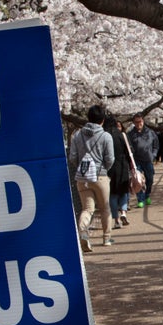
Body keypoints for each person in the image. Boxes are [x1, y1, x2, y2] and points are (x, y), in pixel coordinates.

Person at [69, 103, 114, 251]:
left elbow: (73, 157)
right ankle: (107, 238)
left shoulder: (77, 135)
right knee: (105, 208)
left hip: (82, 178)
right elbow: (110, 159)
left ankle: (83, 231)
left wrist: (81, 169)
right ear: (102, 120)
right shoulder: (106, 136)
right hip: (100, 177)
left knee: (87, 209)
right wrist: (103, 169)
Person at [104, 113, 132, 228]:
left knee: (113, 194)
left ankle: (116, 220)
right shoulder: (121, 135)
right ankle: (124, 212)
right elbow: (129, 151)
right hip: (123, 166)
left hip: (110, 169)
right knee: (124, 192)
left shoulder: (105, 136)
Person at [127, 112, 159, 207]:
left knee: (150, 179)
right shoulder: (131, 134)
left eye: (140, 121)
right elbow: (129, 147)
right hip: (136, 161)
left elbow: (156, 145)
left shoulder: (150, 132)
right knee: (138, 180)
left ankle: (147, 195)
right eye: (136, 122)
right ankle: (140, 199)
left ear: (143, 121)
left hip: (148, 159)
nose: (138, 124)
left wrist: (154, 155)